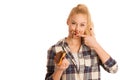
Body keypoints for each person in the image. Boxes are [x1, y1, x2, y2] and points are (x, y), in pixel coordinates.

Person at [45, 4, 118, 80]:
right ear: (67, 22)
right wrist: (59, 70)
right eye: (73, 23)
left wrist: (95, 45)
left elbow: (113, 69)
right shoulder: (55, 49)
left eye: (82, 25)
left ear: (86, 26)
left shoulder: (93, 48)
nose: (77, 29)